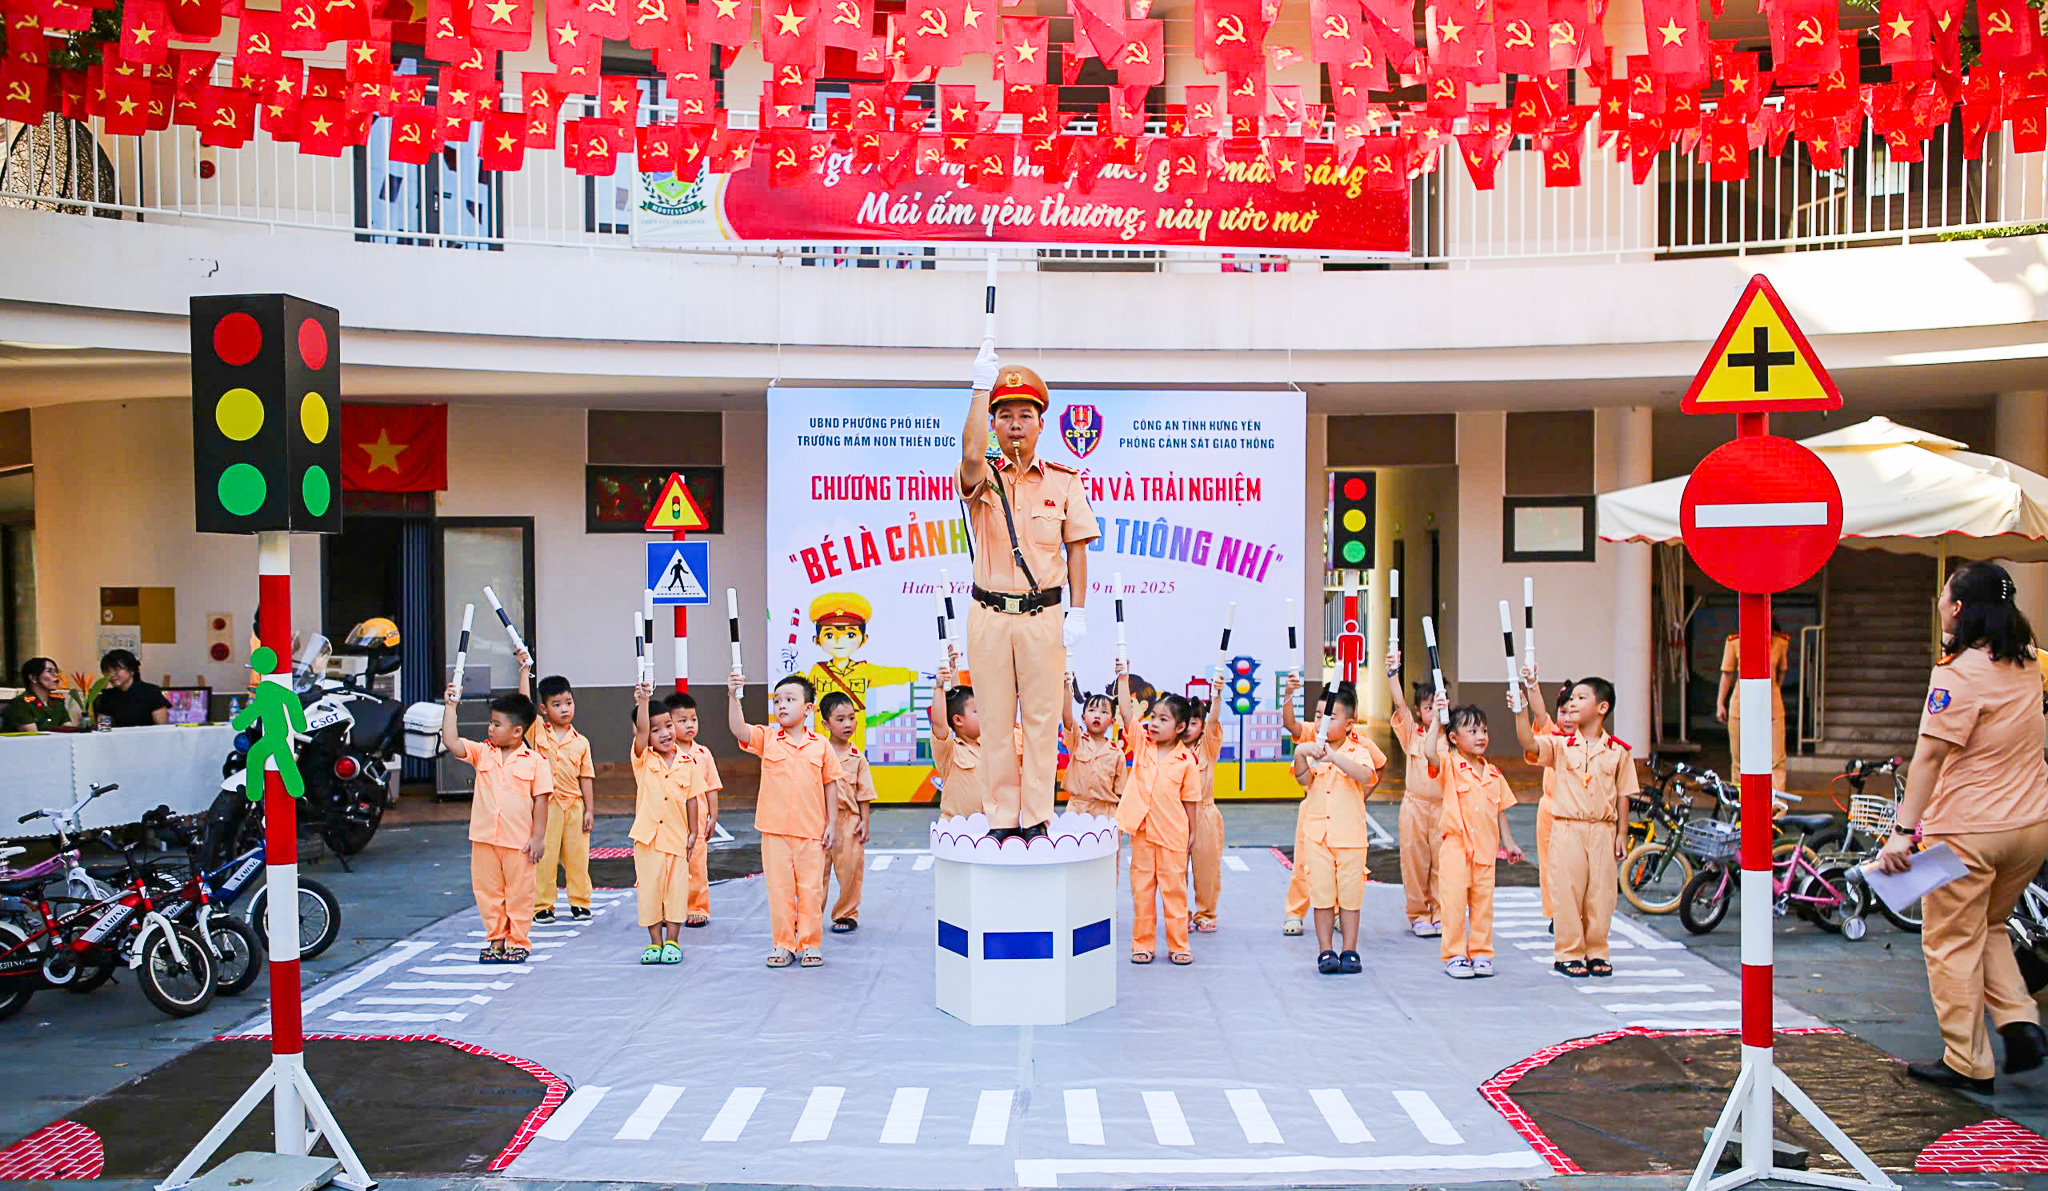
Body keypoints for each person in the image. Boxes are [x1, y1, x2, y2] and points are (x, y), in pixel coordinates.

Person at [1875, 561, 2048, 1093]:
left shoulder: (1958, 672)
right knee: (1990, 925)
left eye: (1944, 597)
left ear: (1958, 608)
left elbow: (1928, 757)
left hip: (1971, 832)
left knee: (1950, 940)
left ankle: (1967, 1062)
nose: (1940, 605)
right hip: (2032, 827)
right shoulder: (2027, 662)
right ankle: (2020, 1021)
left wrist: (1903, 832)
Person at [957, 341, 1098, 841]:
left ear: (1041, 423)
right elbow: (971, 456)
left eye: (1025, 415)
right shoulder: (983, 478)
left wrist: (1078, 611)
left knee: (1041, 720)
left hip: (1044, 616)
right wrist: (980, 389)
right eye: (1005, 416)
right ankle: (1001, 818)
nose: (1015, 425)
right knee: (995, 719)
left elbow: (1077, 549)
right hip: (990, 614)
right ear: (994, 424)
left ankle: (1036, 816)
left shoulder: (1063, 482)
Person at [1514, 671, 1635, 979]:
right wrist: (1519, 710)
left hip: (1603, 830)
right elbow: (1528, 742)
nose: (1573, 704)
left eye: (1582, 698)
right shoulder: (1561, 745)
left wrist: (1622, 833)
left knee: (1601, 895)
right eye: (1571, 699)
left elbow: (1624, 793)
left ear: (1602, 708)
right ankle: (1568, 953)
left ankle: (1597, 951)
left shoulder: (1619, 751)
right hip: (1568, 828)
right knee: (1566, 892)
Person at [729, 671, 844, 969]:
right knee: (779, 891)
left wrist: (832, 824)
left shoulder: (821, 745)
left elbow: (830, 784)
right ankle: (783, 944)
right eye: (777, 700)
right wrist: (733, 696)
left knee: (811, 890)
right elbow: (739, 730)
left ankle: (810, 944)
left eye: (790, 700)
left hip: (811, 831)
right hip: (774, 831)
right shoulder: (767, 738)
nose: (781, 705)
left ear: (808, 708)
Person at [441, 682, 551, 964]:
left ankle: (518, 942)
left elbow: (541, 801)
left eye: (497, 724)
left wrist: (538, 837)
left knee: (519, 893)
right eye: (491, 722)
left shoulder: (536, 762)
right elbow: (451, 741)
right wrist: (451, 707)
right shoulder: (482, 753)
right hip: (484, 838)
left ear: (517, 731)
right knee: (488, 892)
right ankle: (496, 940)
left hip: (519, 842)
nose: (490, 728)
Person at [1425, 697, 1526, 979]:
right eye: (1472, 731)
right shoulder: (1449, 764)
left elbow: (1499, 810)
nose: (1481, 736)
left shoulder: (1493, 773)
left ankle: (1481, 953)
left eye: (1484, 731)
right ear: (1454, 738)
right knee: (1455, 904)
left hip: (1486, 851)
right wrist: (1437, 720)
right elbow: (1429, 753)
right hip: (1456, 848)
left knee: (1483, 904)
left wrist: (1509, 843)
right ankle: (1455, 955)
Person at [1290, 682, 1384, 974]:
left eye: (1330, 717)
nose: (1322, 722)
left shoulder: (1358, 750)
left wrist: (1334, 757)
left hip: (1350, 838)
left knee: (1350, 898)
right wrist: (1300, 754)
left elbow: (1367, 775)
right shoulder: (1313, 749)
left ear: (1349, 724)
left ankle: (1350, 950)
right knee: (1321, 896)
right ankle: (1325, 950)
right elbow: (1303, 780)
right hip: (1318, 836)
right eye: (1318, 715)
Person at [1115, 661, 1203, 966]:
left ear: (1180, 728)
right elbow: (1127, 713)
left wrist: (1192, 832)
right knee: (1142, 892)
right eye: (1153, 717)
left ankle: (1179, 945)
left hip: (1173, 836)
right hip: (1142, 833)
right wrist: (1123, 679)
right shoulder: (1142, 745)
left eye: (1163, 719)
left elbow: (1191, 801)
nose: (1154, 723)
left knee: (1174, 892)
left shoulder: (1187, 760)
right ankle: (1142, 944)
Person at [630, 681, 701, 964]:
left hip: (676, 838)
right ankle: (654, 943)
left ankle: (672, 941)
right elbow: (641, 731)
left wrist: (694, 831)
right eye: (655, 729)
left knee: (676, 891)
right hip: (647, 839)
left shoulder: (688, 762)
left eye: (668, 726)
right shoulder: (643, 759)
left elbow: (692, 799)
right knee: (650, 890)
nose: (664, 733)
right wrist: (643, 701)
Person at [521, 663, 596, 924]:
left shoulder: (581, 742)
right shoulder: (537, 732)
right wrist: (524, 671)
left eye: (568, 703)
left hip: (574, 805)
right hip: (547, 806)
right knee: (545, 856)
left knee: (578, 857)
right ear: (544, 709)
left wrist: (589, 810)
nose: (564, 709)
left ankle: (580, 902)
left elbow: (586, 777)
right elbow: (523, 705)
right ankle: (542, 905)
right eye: (557, 704)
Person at [804, 593, 918, 753]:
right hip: (825, 729)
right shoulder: (817, 671)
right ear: (817, 639)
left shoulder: (864, 670)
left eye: (850, 635)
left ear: (863, 639)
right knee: (825, 762)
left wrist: (919, 674)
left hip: (854, 731)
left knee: (854, 762)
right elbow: (800, 689)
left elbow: (893, 674)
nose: (839, 641)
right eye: (829, 635)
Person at [1384, 656, 1444, 938]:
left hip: (1445, 808)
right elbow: (1399, 705)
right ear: (1419, 711)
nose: (1434, 711)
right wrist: (1392, 674)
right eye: (1428, 707)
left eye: (1439, 705)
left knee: (1443, 863)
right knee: (1415, 861)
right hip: (1415, 807)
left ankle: (1442, 912)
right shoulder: (1412, 733)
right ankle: (1419, 913)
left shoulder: (1453, 735)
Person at [819, 691, 876, 933]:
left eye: (851, 718)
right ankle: (810, 915)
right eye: (840, 719)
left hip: (848, 821)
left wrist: (864, 821)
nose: (848, 724)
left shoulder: (857, 758)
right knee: (816, 872)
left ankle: (846, 913)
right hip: (820, 820)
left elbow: (864, 793)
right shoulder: (818, 753)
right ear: (826, 724)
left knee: (851, 870)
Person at [1717, 622, 1791, 792]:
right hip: (1741, 703)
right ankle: (1740, 802)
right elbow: (1727, 674)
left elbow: (1781, 672)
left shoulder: (1780, 642)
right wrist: (1720, 703)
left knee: (1777, 760)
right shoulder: (1734, 642)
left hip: (1772, 704)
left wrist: (1773, 690)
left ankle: (1776, 805)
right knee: (1739, 760)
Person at [672, 692, 722, 929]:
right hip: (671, 821)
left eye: (693, 719)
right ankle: (669, 908)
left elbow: (712, 786)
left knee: (697, 866)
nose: (689, 725)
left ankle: (697, 908)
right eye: (682, 720)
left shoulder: (703, 754)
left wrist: (713, 815)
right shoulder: (664, 754)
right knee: (670, 866)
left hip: (698, 821)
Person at [1277, 673, 1318, 936]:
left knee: (1340, 866)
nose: (1324, 720)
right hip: (1312, 810)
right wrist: (1289, 693)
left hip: (1342, 814)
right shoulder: (1314, 732)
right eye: (1321, 714)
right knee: (1303, 862)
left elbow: (1378, 766)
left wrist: (1362, 796)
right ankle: (1295, 912)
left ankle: (1339, 911)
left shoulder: (1358, 744)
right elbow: (1290, 724)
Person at [1186, 677, 1226, 933]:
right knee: (1175, 870)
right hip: (1176, 814)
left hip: (1205, 813)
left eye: (1194, 723)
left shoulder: (1208, 746)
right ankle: (1180, 913)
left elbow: (1213, 720)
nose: (1189, 728)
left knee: (1207, 868)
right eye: (1185, 722)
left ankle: (1206, 913)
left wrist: (1217, 694)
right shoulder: (1171, 749)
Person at [1060, 675, 1125, 820]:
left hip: (1106, 813)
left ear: (1113, 721)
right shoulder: (1077, 740)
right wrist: (1066, 687)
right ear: (1083, 718)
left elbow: (1121, 793)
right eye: (1092, 710)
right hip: (1077, 810)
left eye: (1104, 712)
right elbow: (1066, 716)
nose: (1097, 716)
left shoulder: (1117, 753)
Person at [930, 666, 985, 819]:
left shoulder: (987, 747)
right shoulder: (949, 751)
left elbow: (956, 698)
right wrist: (940, 688)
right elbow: (939, 723)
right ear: (958, 720)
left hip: (988, 826)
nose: (984, 715)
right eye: (977, 712)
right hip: (955, 828)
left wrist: (953, 671)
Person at [94, 649, 168, 727]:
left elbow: (162, 727)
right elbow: (103, 727)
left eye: (116, 670)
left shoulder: (151, 692)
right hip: (118, 735)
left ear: (131, 670)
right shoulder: (107, 696)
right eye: (107, 671)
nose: (112, 675)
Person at [4, 658, 77, 732]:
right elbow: (34, 735)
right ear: (33, 678)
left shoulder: (58, 701)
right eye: (50, 671)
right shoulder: (21, 703)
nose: (56, 675)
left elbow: (69, 729)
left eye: (56, 672)